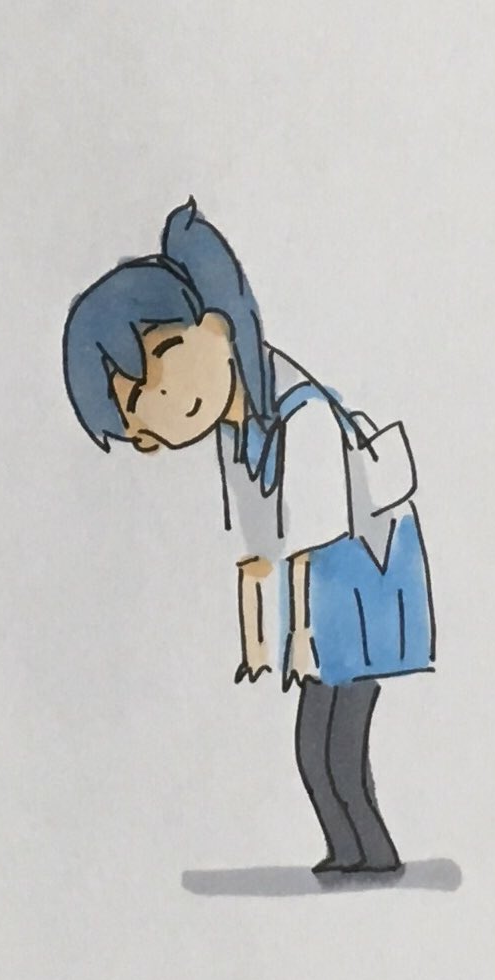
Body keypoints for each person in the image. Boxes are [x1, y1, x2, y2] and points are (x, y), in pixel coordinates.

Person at [63, 199, 435, 873]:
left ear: (212, 327)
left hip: (357, 606)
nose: (157, 412)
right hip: (324, 614)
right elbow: (259, 553)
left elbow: (313, 550)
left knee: (333, 748)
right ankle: (351, 853)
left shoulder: (302, 411)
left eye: (159, 365)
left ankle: (372, 856)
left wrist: (294, 640)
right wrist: (258, 643)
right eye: (136, 416)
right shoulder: (236, 436)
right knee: (317, 750)